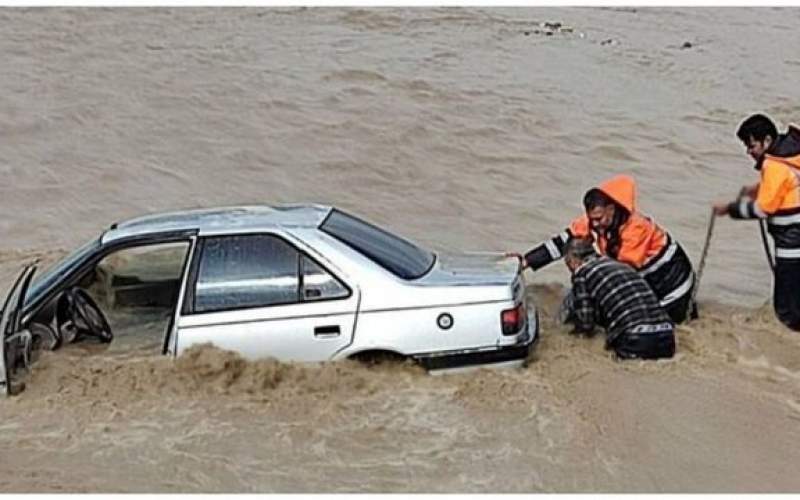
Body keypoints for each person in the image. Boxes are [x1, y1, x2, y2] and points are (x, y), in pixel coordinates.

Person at [510, 174, 696, 323]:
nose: (596, 224)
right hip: (645, 280)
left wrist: (585, 275)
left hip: (672, 289)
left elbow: (621, 273)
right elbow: (562, 242)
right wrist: (525, 261)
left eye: (599, 218)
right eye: (592, 219)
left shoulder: (637, 228)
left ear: (611, 209)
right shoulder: (594, 220)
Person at [713, 114, 800, 331]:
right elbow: (789, 186)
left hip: (792, 244)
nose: (749, 152)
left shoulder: (773, 165)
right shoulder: (791, 155)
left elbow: (764, 209)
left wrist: (730, 209)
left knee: (786, 309)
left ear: (767, 141)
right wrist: (759, 189)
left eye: (751, 145)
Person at [564, 236, 676, 360]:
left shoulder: (582, 273)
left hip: (636, 338)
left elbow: (585, 323)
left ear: (572, 260)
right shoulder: (620, 265)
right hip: (667, 337)